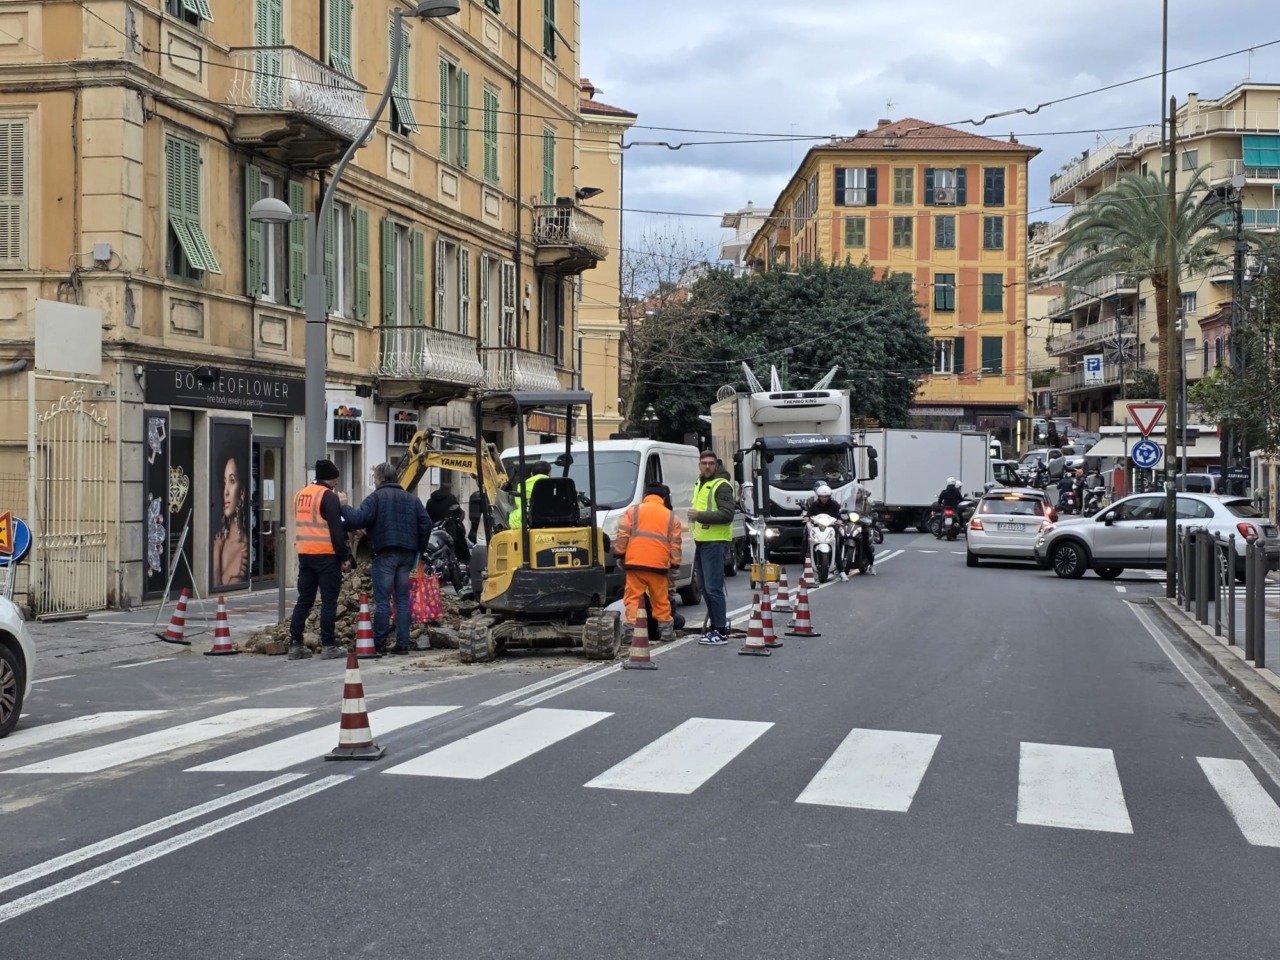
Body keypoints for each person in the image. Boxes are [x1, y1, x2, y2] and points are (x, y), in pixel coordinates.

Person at [341, 462, 434, 656]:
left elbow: (358, 519)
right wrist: (419, 547)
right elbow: (426, 523)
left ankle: (380, 643)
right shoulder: (412, 499)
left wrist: (343, 506)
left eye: (374, 478)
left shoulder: (376, 498)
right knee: (401, 599)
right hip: (407, 554)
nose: (374, 481)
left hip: (385, 554)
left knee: (382, 600)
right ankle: (402, 644)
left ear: (380, 479)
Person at [288, 459, 351, 661]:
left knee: (304, 600)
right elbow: (336, 530)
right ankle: (328, 645)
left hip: (305, 555)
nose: (336, 484)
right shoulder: (328, 497)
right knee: (328, 601)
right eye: (336, 480)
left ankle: (295, 644)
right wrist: (345, 557)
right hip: (326, 555)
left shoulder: (300, 494)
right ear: (331, 479)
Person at [613, 482, 683, 644]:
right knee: (660, 600)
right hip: (658, 566)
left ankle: (630, 634)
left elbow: (623, 534)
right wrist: (674, 564)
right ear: (663, 498)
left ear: (646, 496)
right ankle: (666, 632)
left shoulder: (634, 511)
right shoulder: (671, 517)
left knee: (632, 599)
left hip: (635, 564)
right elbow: (675, 544)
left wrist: (620, 554)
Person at [689, 450, 735, 646]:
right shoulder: (700, 483)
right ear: (699, 465)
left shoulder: (722, 486)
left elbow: (727, 515)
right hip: (702, 541)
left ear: (716, 465)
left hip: (715, 541)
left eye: (710, 463)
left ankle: (720, 630)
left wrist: (699, 516)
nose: (707, 466)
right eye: (703, 463)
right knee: (703, 587)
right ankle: (716, 627)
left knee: (713, 588)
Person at [212, 451, 250, 588]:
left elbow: (219, 591)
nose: (226, 491)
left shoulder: (243, 548)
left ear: (242, 493)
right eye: (224, 482)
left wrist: (216, 554)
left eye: (232, 481)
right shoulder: (221, 540)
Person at [803, 483, 850, 581]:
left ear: (829, 496)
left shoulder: (834, 505)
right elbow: (809, 514)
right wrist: (807, 517)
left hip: (831, 528)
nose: (824, 498)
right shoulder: (814, 505)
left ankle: (841, 571)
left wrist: (840, 520)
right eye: (822, 496)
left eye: (826, 496)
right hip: (816, 528)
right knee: (808, 543)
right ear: (819, 496)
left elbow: (838, 515)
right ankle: (806, 569)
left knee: (836, 547)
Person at [427, 481, 471, 563]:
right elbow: (458, 512)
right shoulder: (451, 499)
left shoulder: (430, 501)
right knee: (451, 554)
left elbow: (427, 516)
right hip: (449, 531)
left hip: (434, 532)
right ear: (449, 489)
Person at [507, 460, 550, 529]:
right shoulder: (557, 486)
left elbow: (519, 504)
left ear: (531, 474)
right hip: (553, 520)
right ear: (549, 474)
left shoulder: (522, 486)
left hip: (527, 522)